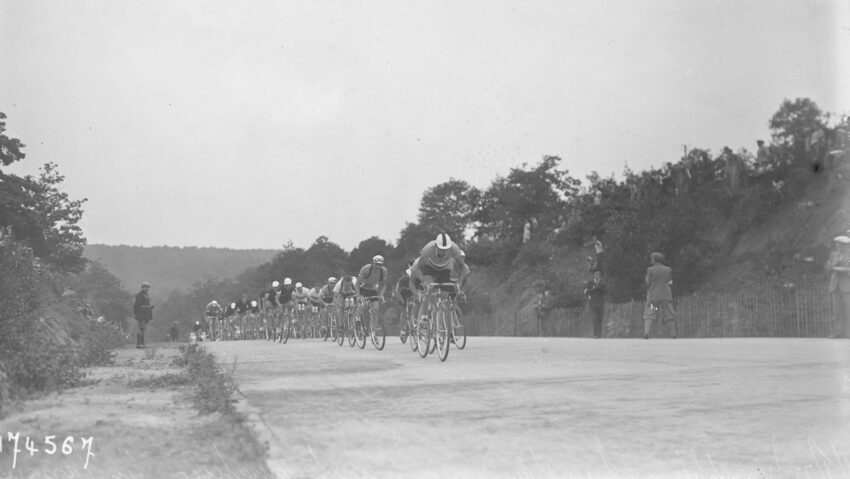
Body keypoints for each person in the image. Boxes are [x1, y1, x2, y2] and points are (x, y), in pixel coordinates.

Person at [643, 252, 676, 339]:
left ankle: (646, 332)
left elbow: (648, 282)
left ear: (654, 260)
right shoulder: (668, 269)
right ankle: (673, 333)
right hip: (666, 295)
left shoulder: (650, 270)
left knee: (649, 313)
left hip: (653, 295)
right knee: (669, 313)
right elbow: (670, 281)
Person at [826, 235, 850, 338]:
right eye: (838, 244)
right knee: (836, 311)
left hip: (847, 287)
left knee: (849, 310)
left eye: (842, 244)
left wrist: (835, 268)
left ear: (847, 245)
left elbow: (848, 270)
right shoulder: (834, 255)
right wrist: (835, 264)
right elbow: (827, 267)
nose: (839, 246)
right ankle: (836, 332)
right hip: (835, 286)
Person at [584, 270, 606, 338]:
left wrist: (599, 288)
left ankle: (599, 334)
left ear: (600, 276)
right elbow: (586, 292)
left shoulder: (603, 283)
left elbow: (606, 292)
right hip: (592, 304)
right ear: (593, 275)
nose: (597, 275)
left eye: (599, 274)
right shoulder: (590, 283)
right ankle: (595, 334)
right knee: (594, 318)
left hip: (600, 303)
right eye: (596, 274)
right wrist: (590, 294)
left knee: (599, 319)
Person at [133, 281, 154, 349]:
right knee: (141, 328)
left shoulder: (146, 295)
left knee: (143, 329)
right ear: (142, 287)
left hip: (145, 314)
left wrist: (149, 307)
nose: (146, 288)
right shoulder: (140, 295)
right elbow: (137, 305)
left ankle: (142, 343)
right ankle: (139, 344)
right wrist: (148, 307)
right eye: (145, 287)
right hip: (141, 314)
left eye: (148, 287)